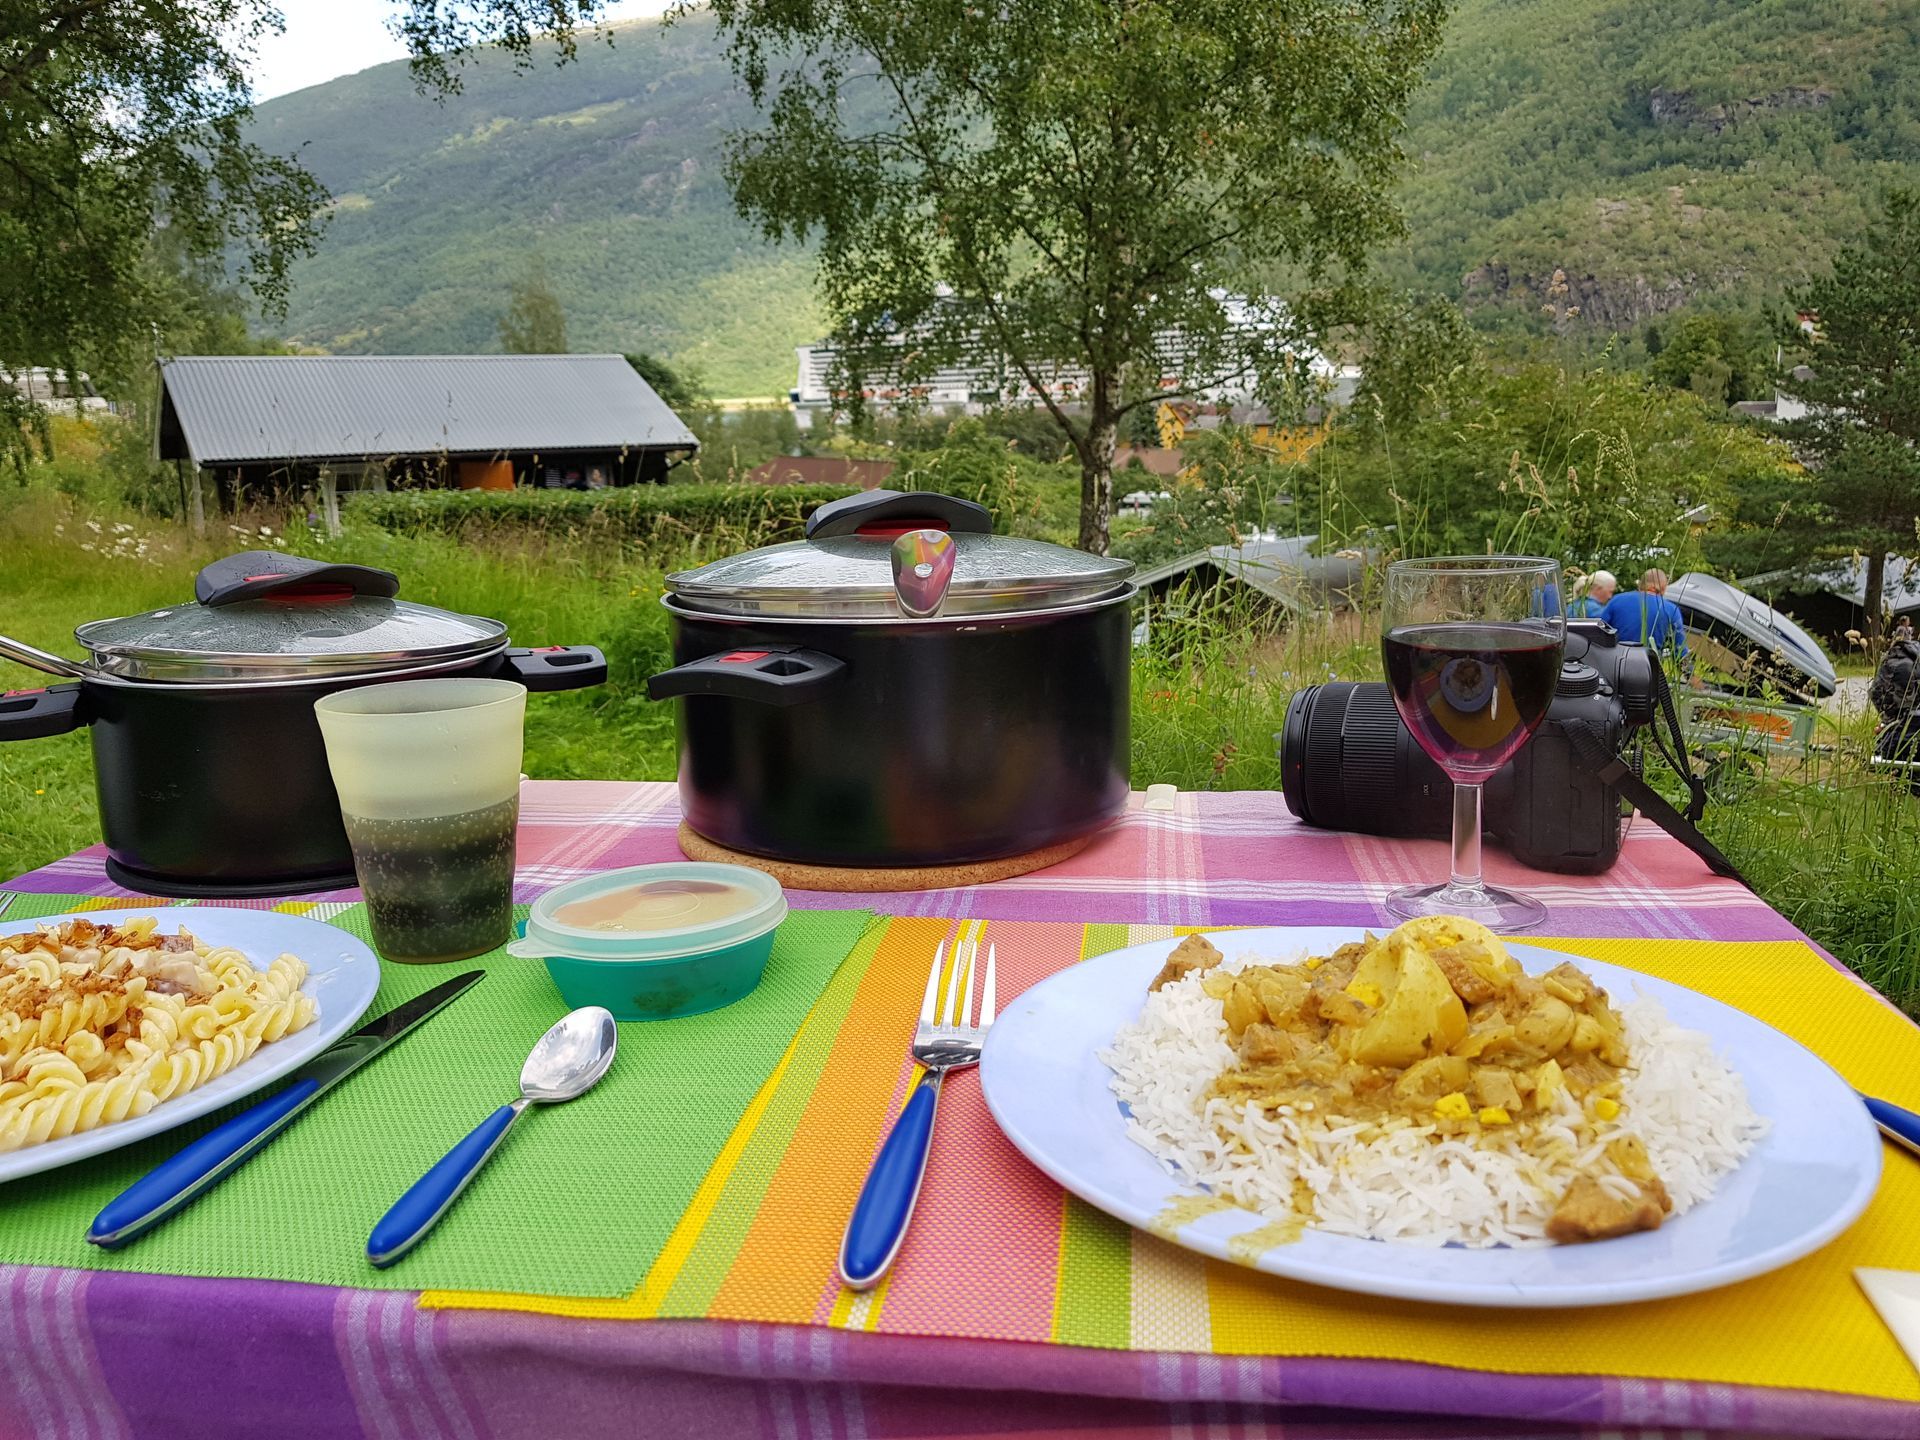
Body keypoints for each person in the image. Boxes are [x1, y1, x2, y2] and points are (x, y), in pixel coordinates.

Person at [1600, 568, 1691, 667]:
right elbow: (1680, 651)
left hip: (1615, 665)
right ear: (1664, 587)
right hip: (1647, 669)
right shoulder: (1671, 609)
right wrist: (1693, 679)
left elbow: (1599, 631)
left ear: (1641, 584)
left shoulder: (1617, 600)